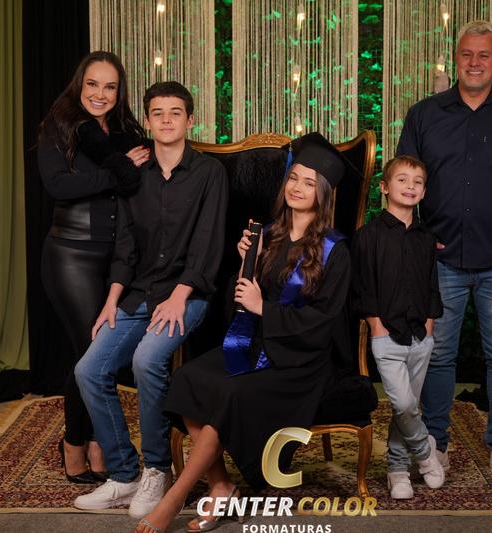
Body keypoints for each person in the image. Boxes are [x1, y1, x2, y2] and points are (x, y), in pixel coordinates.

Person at [135, 133, 353, 533]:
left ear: (322, 193)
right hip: (255, 344)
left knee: (229, 395)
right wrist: (245, 263)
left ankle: (174, 498)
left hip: (299, 361)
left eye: (309, 183)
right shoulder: (268, 234)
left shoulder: (334, 250)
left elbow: (323, 321)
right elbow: (239, 303)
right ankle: (221, 486)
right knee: (187, 380)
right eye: (294, 178)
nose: (297, 187)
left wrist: (263, 308)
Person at [396, 20, 492, 489]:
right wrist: (417, 239)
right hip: (440, 259)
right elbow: (404, 179)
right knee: (438, 355)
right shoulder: (424, 115)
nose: (475, 63)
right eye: (467, 54)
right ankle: (436, 445)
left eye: (484, 55)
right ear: (456, 58)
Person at [72, 81, 228, 517]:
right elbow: (124, 246)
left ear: (190, 120)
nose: (166, 120)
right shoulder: (135, 173)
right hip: (138, 291)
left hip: (188, 293)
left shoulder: (209, 173)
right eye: (157, 113)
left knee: (146, 360)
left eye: (175, 112)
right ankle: (124, 475)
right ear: (147, 120)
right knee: (88, 369)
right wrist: (111, 300)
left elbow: (207, 243)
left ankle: (157, 470)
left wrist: (180, 295)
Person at [38, 51, 149, 483]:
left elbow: (141, 182)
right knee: (91, 353)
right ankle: (76, 444)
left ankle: (96, 441)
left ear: (119, 92)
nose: (100, 94)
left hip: (116, 256)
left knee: (106, 356)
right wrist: (119, 172)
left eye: (110, 86)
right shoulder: (60, 127)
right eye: (92, 84)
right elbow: (59, 186)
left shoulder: (124, 133)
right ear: (79, 85)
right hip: (72, 253)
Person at [351, 155, 445, 499]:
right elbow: (363, 287)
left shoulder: (426, 237)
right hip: (386, 335)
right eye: (402, 180)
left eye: (417, 182)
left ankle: (397, 469)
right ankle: (424, 451)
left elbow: (431, 284)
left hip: (421, 335)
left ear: (424, 191)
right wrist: (376, 326)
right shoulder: (367, 236)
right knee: (404, 404)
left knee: (408, 407)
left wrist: (430, 325)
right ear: (385, 187)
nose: (410, 186)